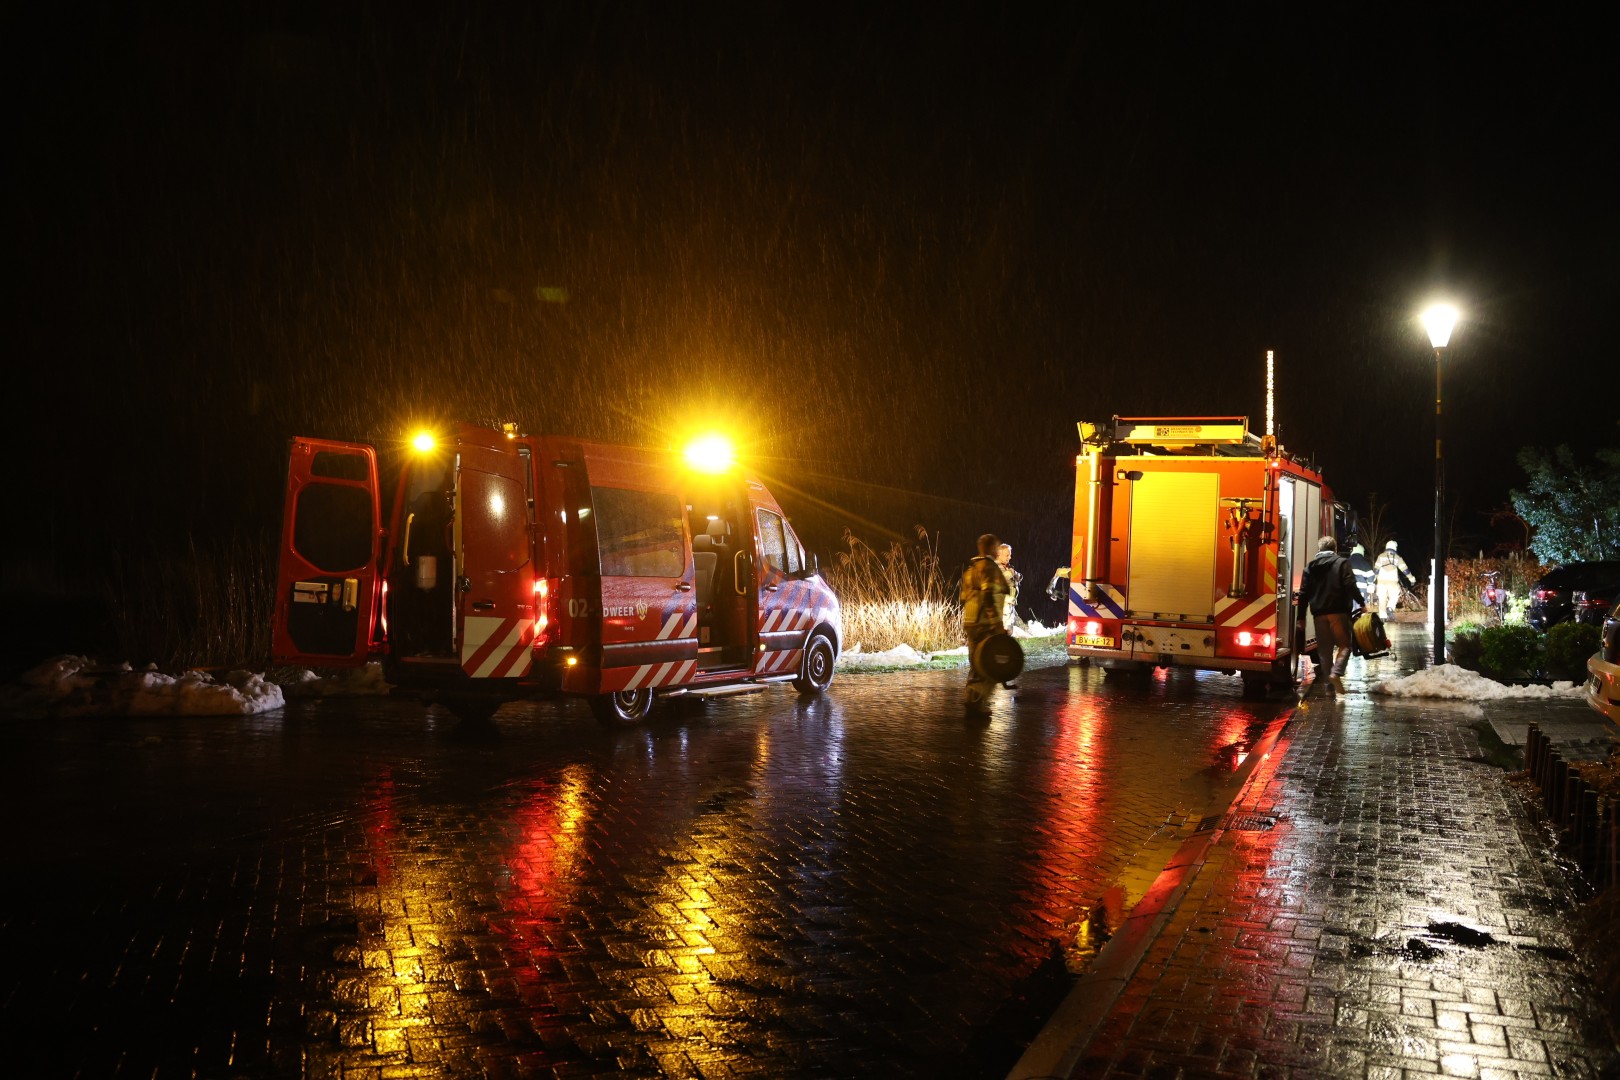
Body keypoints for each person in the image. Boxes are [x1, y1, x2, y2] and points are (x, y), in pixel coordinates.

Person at [1299, 535, 1362, 694]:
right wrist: (1361, 603)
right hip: (1339, 612)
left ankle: (1329, 687)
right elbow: (1350, 584)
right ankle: (1336, 672)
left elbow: (1303, 593)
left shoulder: (1310, 567)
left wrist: (1300, 617)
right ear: (1335, 549)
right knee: (1345, 645)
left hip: (1319, 615)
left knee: (1324, 652)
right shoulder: (1342, 563)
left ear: (1319, 549)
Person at [960, 533, 1011, 714]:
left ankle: (971, 699)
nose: (998, 550)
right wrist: (997, 625)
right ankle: (977, 702)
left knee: (976, 663)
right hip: (985, 625)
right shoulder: (988, 568)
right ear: (991, 549)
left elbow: (964, 598)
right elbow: (988, 597)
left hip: (971, 622)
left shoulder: (971, 569)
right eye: (996, 547)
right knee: (988, 664)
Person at [1373, 540, 1416, 620]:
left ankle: (1383, 617)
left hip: (1381, 582)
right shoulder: (1397, 558)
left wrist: (1372, 580)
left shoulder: (1380, 556)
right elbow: (1405, 570)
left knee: (1382, 598)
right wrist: (1411, 579)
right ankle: (1390, 608)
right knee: (1394, 595)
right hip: (1393, 581)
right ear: (1395, 548)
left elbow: (1376, 570)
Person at [994, 543, 1025, 631]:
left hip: (1009, 602)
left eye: (1010, 555)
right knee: (1006, 629)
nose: (1010, 557)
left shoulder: (1007, 566)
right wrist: (1011, 572)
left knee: (1012, 628)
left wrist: (1016, 574)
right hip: (1002, 603)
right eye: (1007, 555)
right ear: (998, 554)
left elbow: (1018, 577)